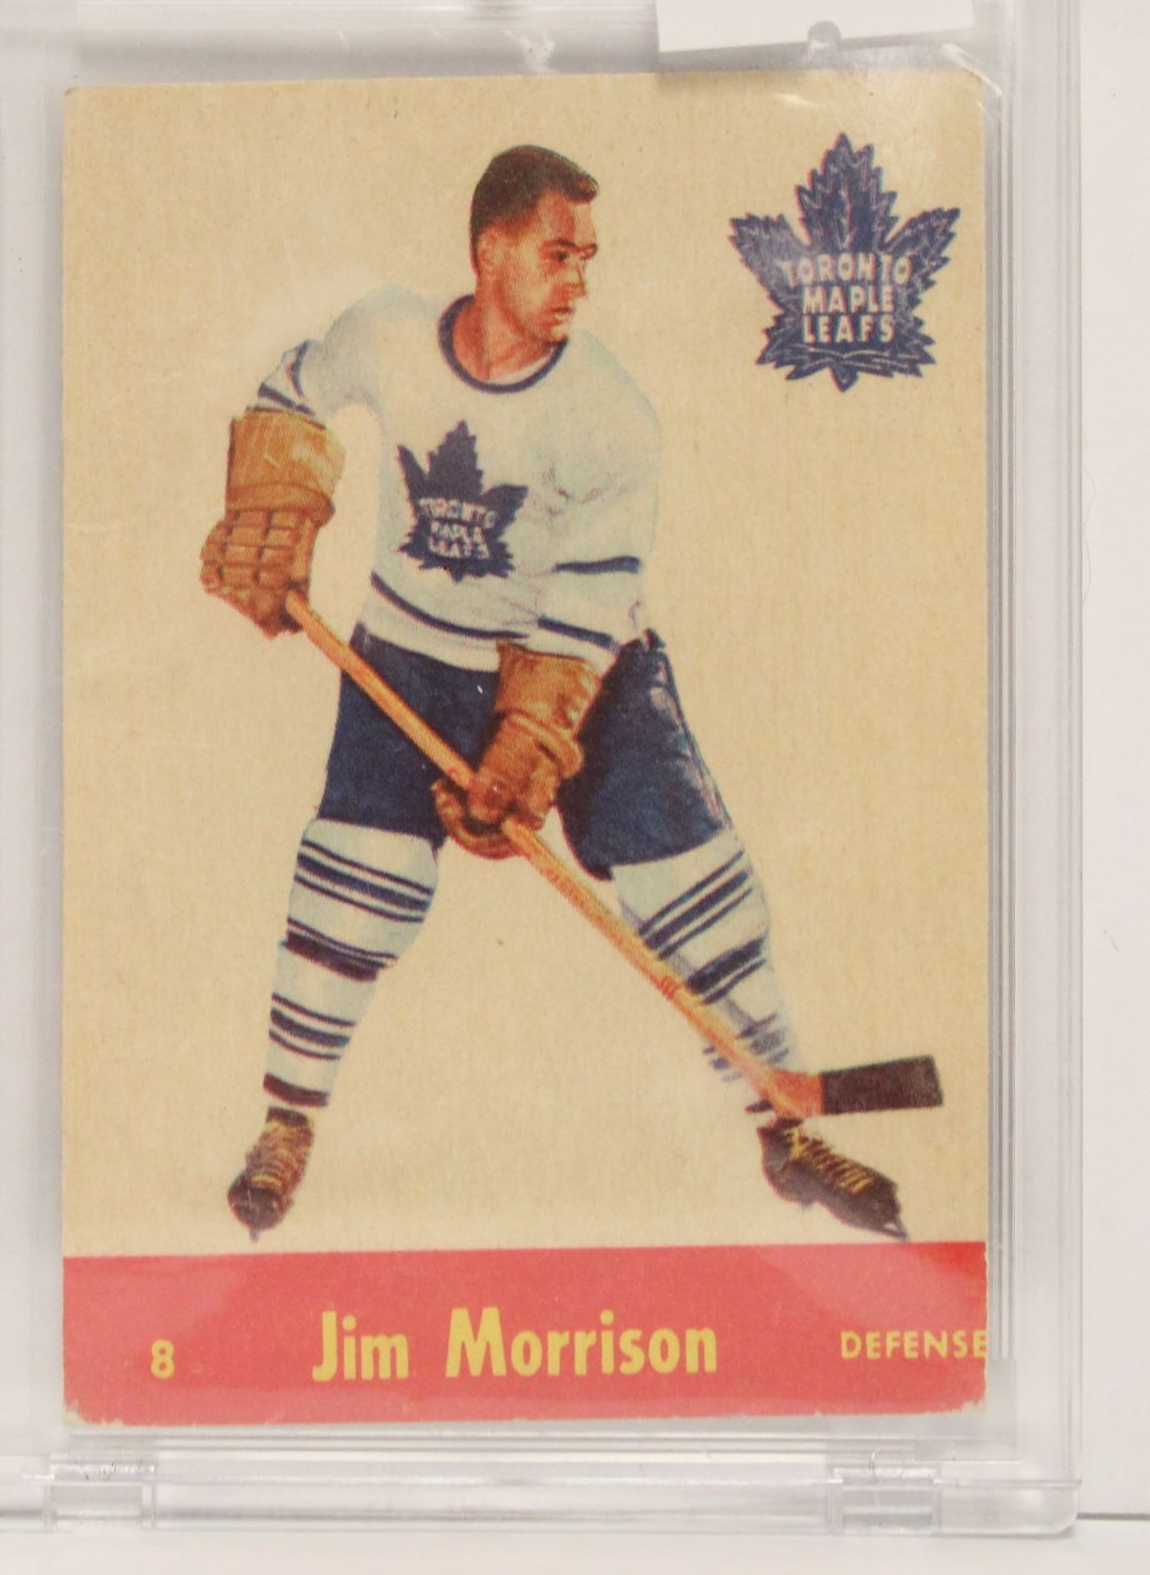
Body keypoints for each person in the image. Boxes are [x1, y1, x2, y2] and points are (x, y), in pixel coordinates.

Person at [200, 145, 905, 1242]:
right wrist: (273, 507)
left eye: (587, 259)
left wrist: (524, 748)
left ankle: (788, 1125)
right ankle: (287, 1121)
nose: (578, 278)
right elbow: (294, 389)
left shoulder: (610, 415)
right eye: (557, 253)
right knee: (352, 883)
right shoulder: (388, 333)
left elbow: (585, 607)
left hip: (590, 672)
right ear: (490, 251)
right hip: (410, 656)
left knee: (696, 892)